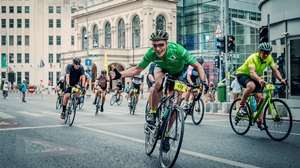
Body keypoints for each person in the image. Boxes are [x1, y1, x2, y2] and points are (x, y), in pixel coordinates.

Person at [110, 30, 208, 125]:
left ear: (167, 43)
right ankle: (153, 112)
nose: (157, 48)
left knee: (175, 104)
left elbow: (198, 66)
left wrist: (204, 82)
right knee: (158, 84)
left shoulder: (178, 50)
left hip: (179, 72)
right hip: (161, 69)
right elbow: (137, 69)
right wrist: (120, 74)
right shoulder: (151, 53)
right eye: (155, 45)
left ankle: (167, 134)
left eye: (161, 45)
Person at [235, 42, 286, 129]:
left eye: (268, 53)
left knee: (261, 98)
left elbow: (275, 70)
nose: (266, 55)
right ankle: (242, 107)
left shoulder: (269, 58)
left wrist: (281, 79)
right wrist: (259, 79)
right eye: (264, 52)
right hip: (243, 74)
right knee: (251, 86)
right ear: (259, 52)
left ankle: (260, 121)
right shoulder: (253, 57)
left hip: (256, 77)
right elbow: (251, 73)